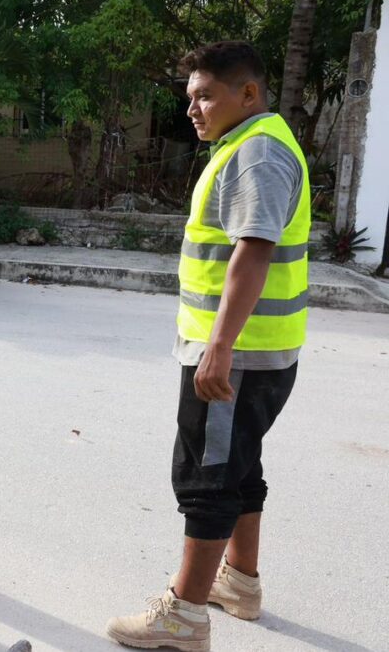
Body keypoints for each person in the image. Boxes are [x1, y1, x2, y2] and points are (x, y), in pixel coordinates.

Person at [107, 41, 310, 651]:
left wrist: (219, 348)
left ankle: (185, 616)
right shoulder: (246, 145)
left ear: (247, 94)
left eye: (205, 96)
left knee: (207, 477)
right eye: (190, 96)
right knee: (237, 467)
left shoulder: (258, 155)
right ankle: (239, 583)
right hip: (256, 352)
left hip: (237, 356)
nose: (192, 108)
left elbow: (254, 249)